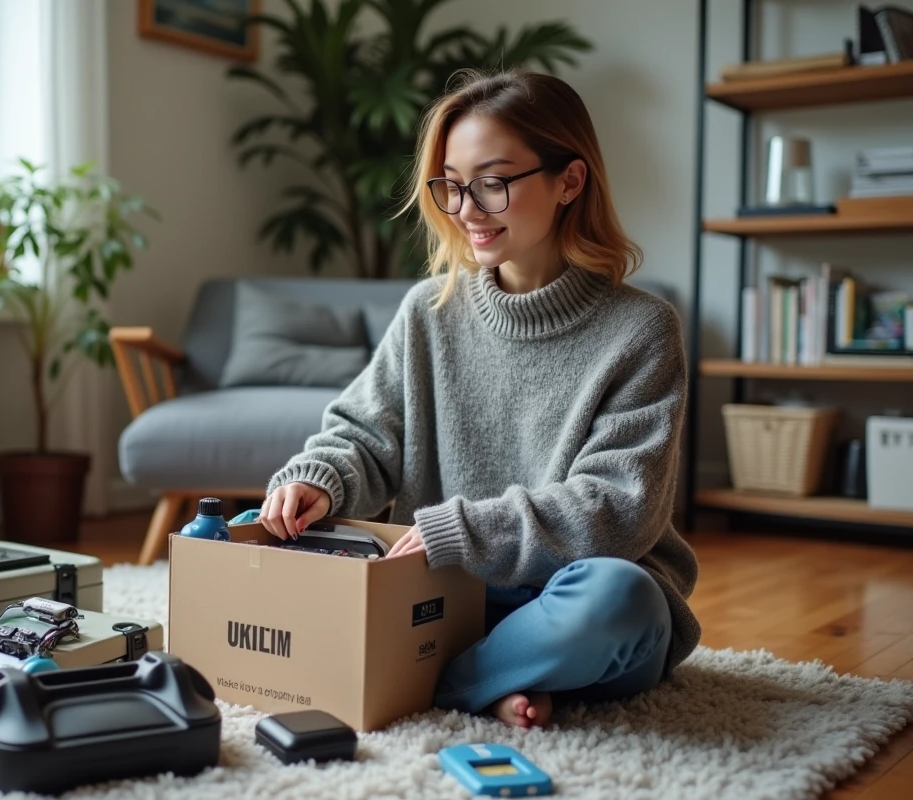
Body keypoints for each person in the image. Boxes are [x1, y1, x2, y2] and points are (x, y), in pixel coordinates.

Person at [257, 69, 699, 729]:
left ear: (569, 182)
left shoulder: (642, 330)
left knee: (623, 598)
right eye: (453, 186)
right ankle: (510, 673)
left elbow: (617, 511)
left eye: (492, 182)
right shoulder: (428, 313)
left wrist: (456, 532)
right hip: (446, 602)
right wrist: (320, 479)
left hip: (573, 602)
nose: (466, 209)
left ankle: (434, 683)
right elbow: (363, 435)